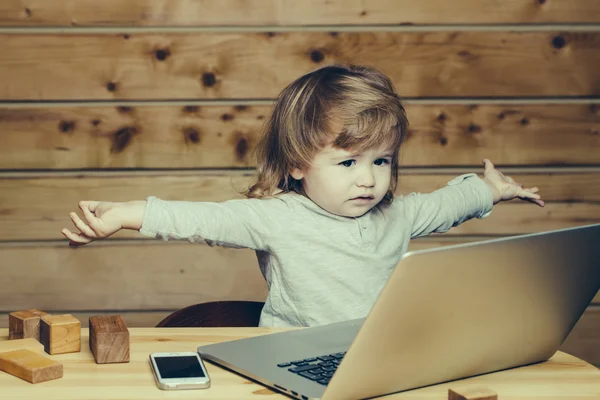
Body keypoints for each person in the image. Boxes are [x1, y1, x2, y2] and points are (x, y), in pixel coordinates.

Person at [61, 64, 544, 328]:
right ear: (296, 164)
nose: (369, 180)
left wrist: (489, 188)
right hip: (291, 361)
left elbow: (447, 206)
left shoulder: (398, 214)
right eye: (348, 162)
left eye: (382, 161)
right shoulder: (280, 218)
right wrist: (125, 214)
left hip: (374, 361)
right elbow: (204, 219)